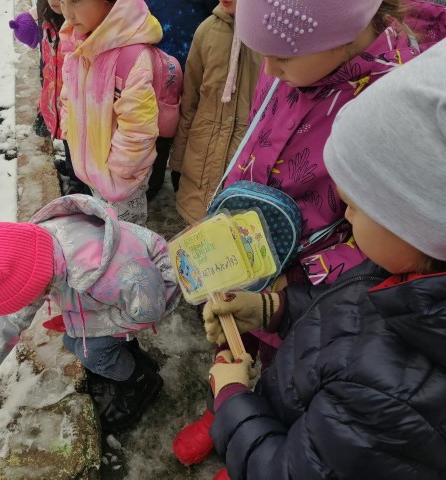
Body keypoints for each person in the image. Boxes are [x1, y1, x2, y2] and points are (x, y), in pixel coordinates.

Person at [172, 0, 446, 468]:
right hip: (254, 253)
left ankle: (250, 421)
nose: (268, 70)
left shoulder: (392, 108)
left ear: (342, 34)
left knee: (289, 369)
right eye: (260, 54)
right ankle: (227, 412)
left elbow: (371, 248)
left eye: (280, 57)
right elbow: (256, 138)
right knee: (237, 335)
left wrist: (293, 289)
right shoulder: (285, 68)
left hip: (316, 280)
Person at [0, 195, 180, 433]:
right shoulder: (35, 253)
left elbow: (149, 311)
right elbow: (13, 316)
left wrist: (85, 323)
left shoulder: (110, 273)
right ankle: (133, 357)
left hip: (154, 290)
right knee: (72, 340)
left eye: (28, 298)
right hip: (118, 293)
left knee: (92, 353)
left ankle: (141, 382)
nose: (28, 304)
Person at [58, 0, 162, 226]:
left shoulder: (132, 57)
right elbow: (68, 95)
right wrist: (70, 133)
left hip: (121, 182)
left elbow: (138, 128)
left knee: (126, 236)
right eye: (62, 1)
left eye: (75, 1)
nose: (67, 13)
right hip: (93, 169)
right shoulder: (77, 41)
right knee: (104, 229)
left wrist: (118, 173)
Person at [169, 0, 262, 224]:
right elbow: (189, 104)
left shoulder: (273, 36)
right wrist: (178, 163)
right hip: (198, 175)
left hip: (247, 178)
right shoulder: (207, 30)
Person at [10, 0, 90, 195]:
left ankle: (80, 183)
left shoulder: (83, 22)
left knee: (80, 143)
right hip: (57, 93)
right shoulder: (46, 12)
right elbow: (45, 59)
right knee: (67, 138)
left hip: (80, 99)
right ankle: (73, 171)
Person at [143, 0, 219, 201]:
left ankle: (180, 176)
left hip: (195, 71)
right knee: (158, 128)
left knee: (190, 125)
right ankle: (152, 183)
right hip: (155, 74)